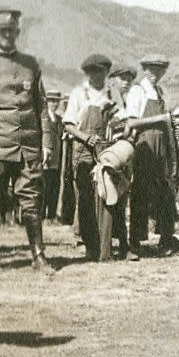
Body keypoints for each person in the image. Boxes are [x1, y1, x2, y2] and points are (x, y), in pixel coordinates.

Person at [0, 8, 54, 274]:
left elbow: (41, 107)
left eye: (12, 31)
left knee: (31, 201)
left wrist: (47, 143)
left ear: (18, 32)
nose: (8, 35)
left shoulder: (31, 64)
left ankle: (38, 256)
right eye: (2, 31)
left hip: (28, 146)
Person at [62, 54, 119, 261]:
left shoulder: (112, 93)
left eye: (102, 71)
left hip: (106, 149)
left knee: (108, 195)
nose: (98, 75)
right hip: (83, 151)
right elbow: (68, 124)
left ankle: (106, 245)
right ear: (88, 73)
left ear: (106, 72)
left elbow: (121, 118)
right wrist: (86, 137)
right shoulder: (79, 93)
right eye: (94, 72)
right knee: (85, 199)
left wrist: (114, 122)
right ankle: (90, 246)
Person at [125, 55, 178, 257]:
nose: (157, 74)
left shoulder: (159, 92)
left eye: (161, 70)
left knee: (164, 190)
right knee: (141, 191)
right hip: (145, 144)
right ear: (145, 70)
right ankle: (136, 241)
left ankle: (166, 237)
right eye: (153, 70)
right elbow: (131, 123)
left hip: (162, 145)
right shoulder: (137, 91)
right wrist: (160, 118)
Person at [42, 89, 63, 221]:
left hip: (57, 159)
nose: (54, 104)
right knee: (44, 187)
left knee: (54, 188)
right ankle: (42, 216)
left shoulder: (59, 120)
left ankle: (51, 216)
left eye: (56, 101)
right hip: (46, 158)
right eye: (51, 101)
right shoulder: (43, 118)